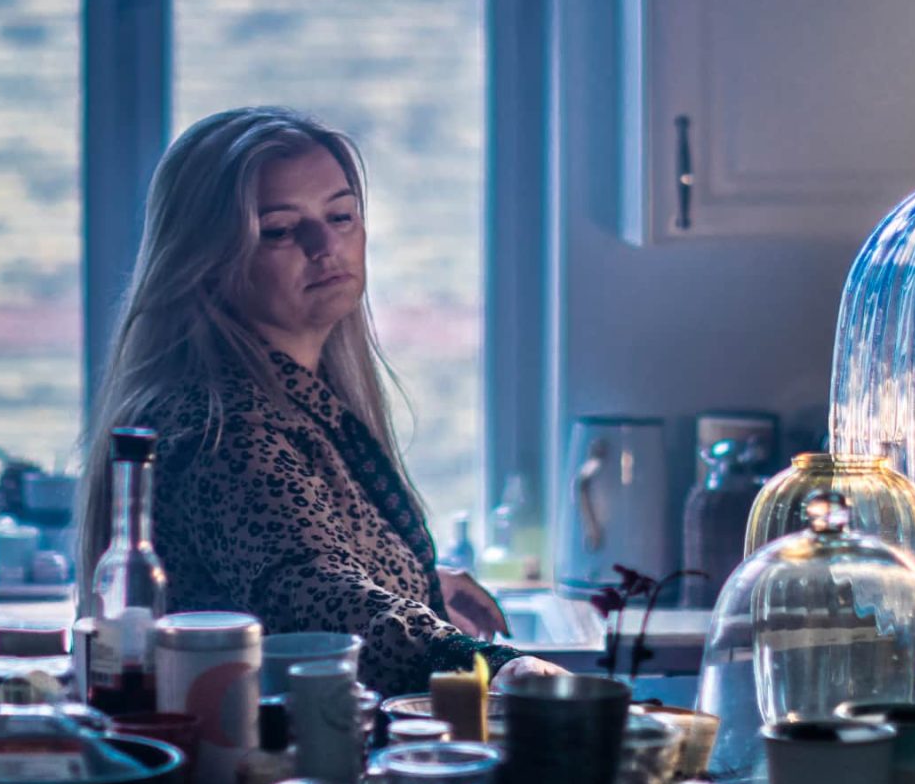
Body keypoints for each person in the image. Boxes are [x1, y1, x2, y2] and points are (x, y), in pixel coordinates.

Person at [75, 106, 563, 698]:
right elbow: (312, 594)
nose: (325, 244)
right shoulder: (223, 426)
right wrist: (491, 662)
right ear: (204, 262)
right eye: (280, 229)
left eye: (341, 216)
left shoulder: (297, 397)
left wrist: (413, 581)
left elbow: (287, 549)